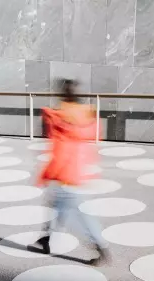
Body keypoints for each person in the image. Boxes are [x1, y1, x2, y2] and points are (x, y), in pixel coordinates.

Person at [33, 79, 110, 265]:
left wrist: (48, 173)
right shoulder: (84, 115)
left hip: (63, 172)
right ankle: (46, 237)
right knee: (57, 205)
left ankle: (100, 246)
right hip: (76, 170)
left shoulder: (60, 117)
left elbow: (59, 148)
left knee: (78, 214)